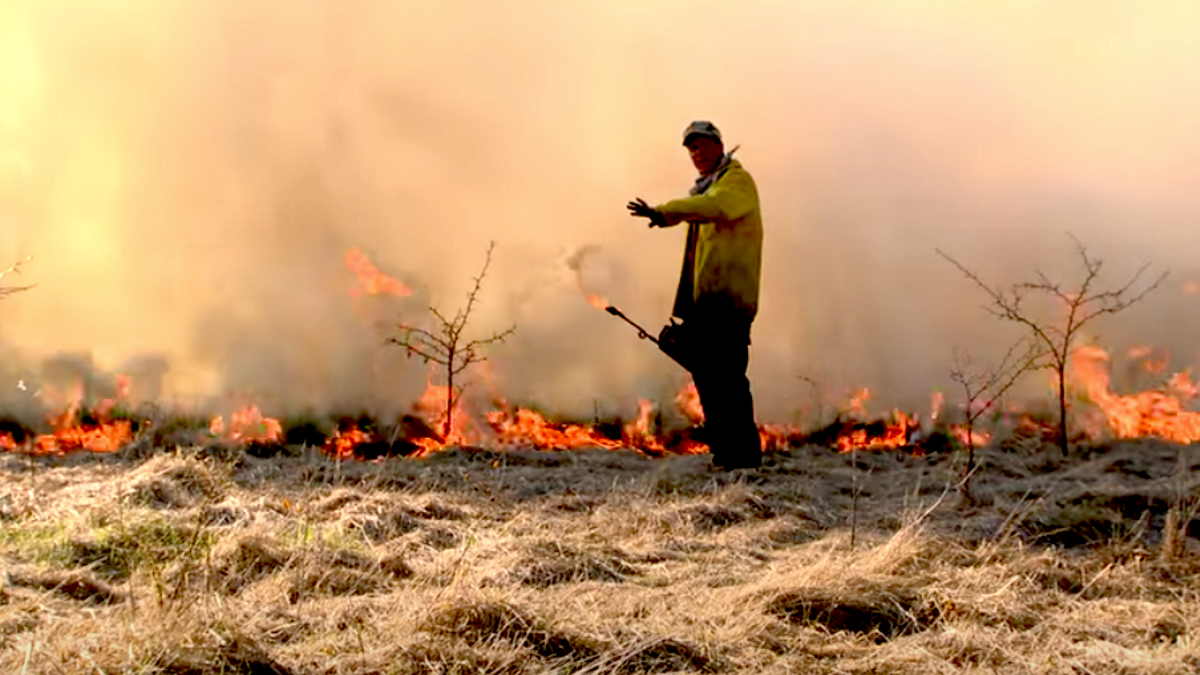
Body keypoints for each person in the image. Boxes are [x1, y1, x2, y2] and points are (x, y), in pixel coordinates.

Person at [627, 120, 764, 470]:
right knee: (708, 377)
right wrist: (664, 218)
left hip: (729, 301)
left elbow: (716, 207)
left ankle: (744, 459)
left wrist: (666, 211)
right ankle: (724, 455)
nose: (696, 153)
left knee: (728, 379)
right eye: (690, 148)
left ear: (719, 145)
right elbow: (702, 211)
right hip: (705, 303)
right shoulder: (704, 192)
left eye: (701, 145)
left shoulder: (736, 182)